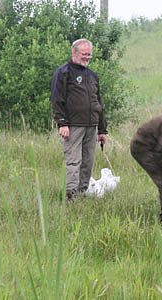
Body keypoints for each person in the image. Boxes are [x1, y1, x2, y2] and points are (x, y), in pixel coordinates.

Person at [51, 38, 107, 204]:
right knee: (74, 161)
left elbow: (99, 103)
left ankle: (82, 193)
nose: (87, 57)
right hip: (72, 126)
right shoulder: (63, 72)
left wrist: (102, 130)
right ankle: (70, 196)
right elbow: (57, 99)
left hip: (92, 126)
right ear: (74, 53)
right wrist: (62, 123)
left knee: (88, 162)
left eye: (89, 54)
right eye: (84, 54)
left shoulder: (92, 76)